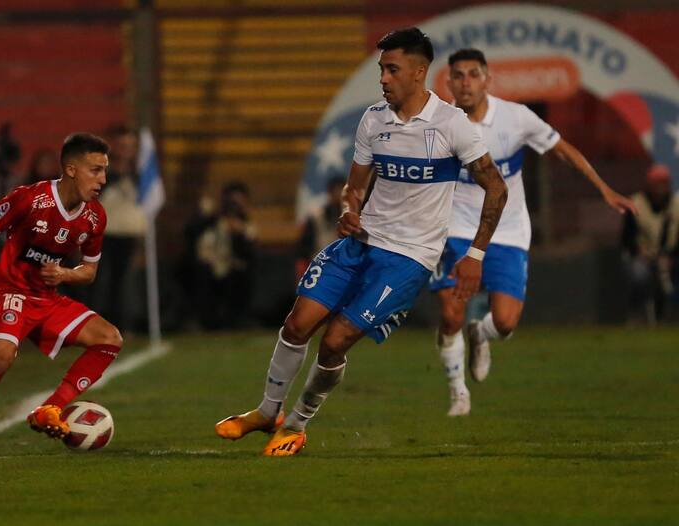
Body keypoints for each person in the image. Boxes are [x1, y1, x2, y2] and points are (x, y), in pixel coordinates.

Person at [214, 28, 507, 456]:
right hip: (361, 242)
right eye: (381, 70)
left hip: (408, 260)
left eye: (392, 69)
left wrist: (475, 255)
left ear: (419, 72)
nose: (384, 78)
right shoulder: (374, 119)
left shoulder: (451, 125)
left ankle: (295, 424)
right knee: (297, 324)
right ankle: (266, 411)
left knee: (334, 342)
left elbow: (496, 188)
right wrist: (348, 211)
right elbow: (354, 187)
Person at [423, 48, 636, 416]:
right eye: (458, 75)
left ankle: (482, 334)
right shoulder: (439, 124)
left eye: (474, 74)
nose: (466, 82)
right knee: (451, 312)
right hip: (456, 229)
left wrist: (603, 188)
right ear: (449, 83)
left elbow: (564, 150)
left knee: (504, 323)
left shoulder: (515, 117)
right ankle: (458, 392)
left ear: (488, 80)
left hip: (506, 230)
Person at [0, 133, 123, 460]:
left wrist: (65, 274)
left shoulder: (94, 217)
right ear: (71, 169)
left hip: (47, 298)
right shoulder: (31, 199)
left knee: (110, 338)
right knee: (0, 357)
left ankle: (51, 409)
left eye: (104, 171)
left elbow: (89, 271)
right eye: (96, 170)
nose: (103, 179)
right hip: (10, 291)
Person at [94, 125, 147, 331]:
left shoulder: (140, 176)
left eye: (130, 146)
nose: (126, 150)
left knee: (127, 283)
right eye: (122, 145)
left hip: (130, 235)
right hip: (104, 235)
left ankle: (125, 325)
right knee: (103, 282)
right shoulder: (100, 173)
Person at [621, 164, 679, 323]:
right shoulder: (636, 203)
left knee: (669, 281)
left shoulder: (676, 204)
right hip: (642, 257)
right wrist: (640, 252)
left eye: (664, 183)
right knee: (639, 274)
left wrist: (670, 256)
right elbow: (627, 238)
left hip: (669, 257)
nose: (660, 187)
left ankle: (669, 317)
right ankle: (637, 314)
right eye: (657, 183)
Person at [194, 181, 257, 329]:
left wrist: (239, 232)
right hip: (210, 267)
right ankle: (206, 319)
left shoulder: (245, 224)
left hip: (233, 269)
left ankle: (236, 319)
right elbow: (194, 234)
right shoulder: (212, 220)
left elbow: (249, 250)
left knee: (241, 275)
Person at [295, 176, 346, 281]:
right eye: (337, 191)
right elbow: (303, 252)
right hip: (318, 273)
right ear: (329, 193)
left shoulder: (354, 218)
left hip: (345, 273)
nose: (339, 196)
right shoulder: (316, 218)